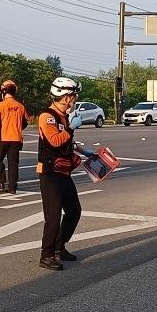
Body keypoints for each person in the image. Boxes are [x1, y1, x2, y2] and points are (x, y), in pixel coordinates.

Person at [36, 76, 95, 270]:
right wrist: (71, 126)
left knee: (74, 211)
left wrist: (83, 151)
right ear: (65, 96)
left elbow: (67, 141)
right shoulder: (47, 116)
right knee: (53, 217)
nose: (75, 99)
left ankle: (60, 247)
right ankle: (46, 255)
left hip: (63, 172)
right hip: (50, 172)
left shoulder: (63, 117)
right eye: (73, 95)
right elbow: (55, 140)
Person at [0, 79, 27, 193]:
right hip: (16, 139)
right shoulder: (20, 106)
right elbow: (25, 123)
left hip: (3, 138)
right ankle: (13, 187)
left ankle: (1, 182)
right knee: (13, 163)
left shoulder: (0, 105)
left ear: (4, 91)